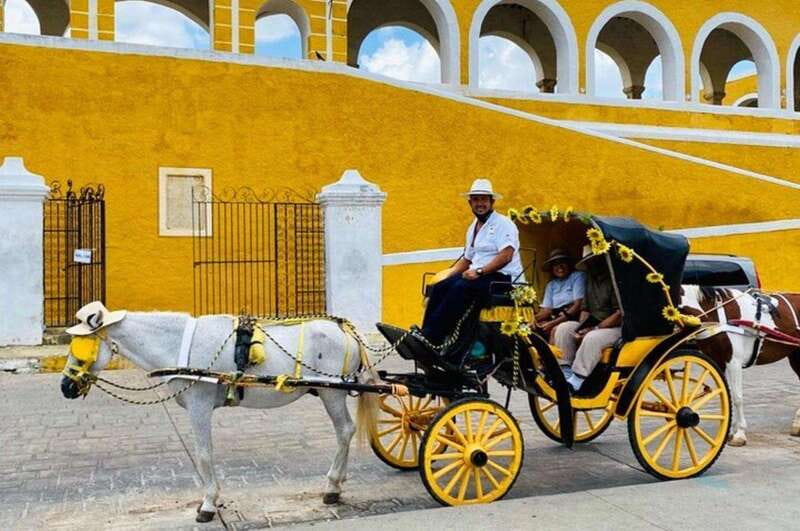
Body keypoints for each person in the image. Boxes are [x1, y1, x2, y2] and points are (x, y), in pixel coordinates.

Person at [420, 178, 524, 346]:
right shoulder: (473, 227)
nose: (480, 203)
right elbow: (467, 259)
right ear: (470, 202)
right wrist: (447, 275)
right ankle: (425, 335)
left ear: (492, 201)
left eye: (484, 199)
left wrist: (480, 271)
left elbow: (506, 256)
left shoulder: (504, 224)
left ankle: (434, 338)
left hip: (502, 278)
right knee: (440, 288)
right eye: (476, 199)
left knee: (460, 288)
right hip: (479, 276)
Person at [552, 244, 622, 392]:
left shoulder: (615, 279)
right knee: (564, 329)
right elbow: (585, 308)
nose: (591, 265)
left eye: (594, 261)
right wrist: (580, 328)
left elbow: (618, 314)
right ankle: (565, 372)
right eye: (589, 262)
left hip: (617, 327)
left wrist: (594, 329)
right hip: (595, 323)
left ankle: (577, 379)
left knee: (592, 337)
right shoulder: (590, 279)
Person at [534, 248, 585, 341]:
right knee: (532, 329)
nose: (560, 267)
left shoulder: (577, 276)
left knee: (555, 330)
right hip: (555, 317)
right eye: (555, 264)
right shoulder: (551, 284)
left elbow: (578, 304)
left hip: (572, 316)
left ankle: (555, 355)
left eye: (563, 263)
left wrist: (553, 323)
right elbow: (547, 310)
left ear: (569, 264)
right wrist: (532, 319)